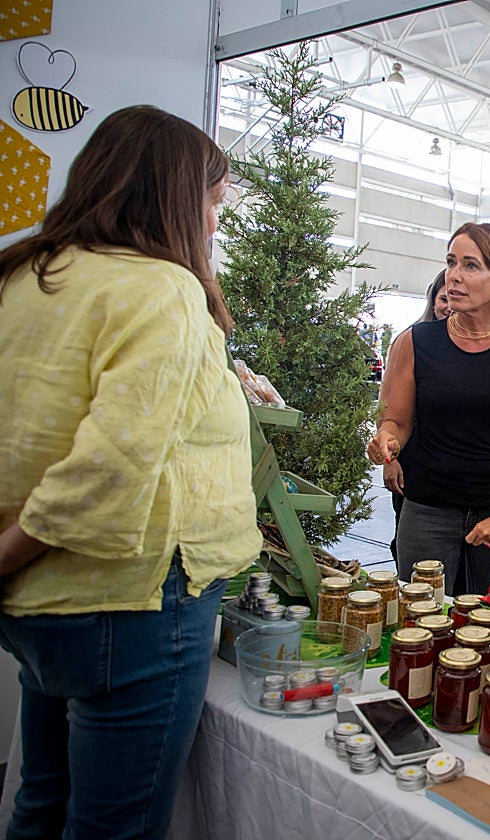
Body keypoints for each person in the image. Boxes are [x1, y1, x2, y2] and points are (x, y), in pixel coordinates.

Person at [0, 105, 261, 838]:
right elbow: (112, 466)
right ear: (175, 195)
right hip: (135, 594)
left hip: (41, 600)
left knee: (41, 801)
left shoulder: (28, 274)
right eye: (213, 201)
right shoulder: (161, 289)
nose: (213, 223)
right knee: (115, 826)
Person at [369, 222, 490, 594]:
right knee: (420, 618)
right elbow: (396, 421)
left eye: (470, 265)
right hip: (427, 512)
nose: (453, 275)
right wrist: (386, 439)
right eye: (451, 262)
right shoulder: (414, 342)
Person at [383, 270, 449, 563]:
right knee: (408, 538)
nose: (449, 306)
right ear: (433, 300)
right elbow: (386, 409)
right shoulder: (409, 341)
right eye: (444, 299)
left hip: (448, 463)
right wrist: (390, 462)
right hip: (410, 457)